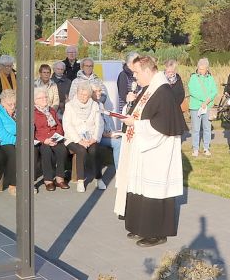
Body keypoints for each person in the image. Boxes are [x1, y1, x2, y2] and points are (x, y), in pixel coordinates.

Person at [117, 55, 187, 247]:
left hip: (158, 151)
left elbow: (162, 124)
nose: (135, 77)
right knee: (141, 188)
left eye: (137, 73)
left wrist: (136, 125)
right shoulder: (149, 88)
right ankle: (140, 226)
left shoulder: (163, 91)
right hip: (145, 148)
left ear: (148, 71)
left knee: (154, 190)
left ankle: (157, 233)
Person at [63, 82, 105, 192]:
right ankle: (80, 181)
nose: (83, 97)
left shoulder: (94, 105)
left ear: (89, 95)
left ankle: (99, 178)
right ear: (76, 93)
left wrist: (95, 138)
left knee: (95, 150)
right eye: (81, 94)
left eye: (86, 95)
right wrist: (79, 140)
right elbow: (67, 125)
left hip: (90, 137)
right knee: (81, 151)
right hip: (73, 138)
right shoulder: (69, 105)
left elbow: (99, 123)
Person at [33, 87, 68, 191]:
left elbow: (58, 126)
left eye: (45, 97)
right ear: (35, 100)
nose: (44, 99)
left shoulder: (51, 110)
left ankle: (59, 178)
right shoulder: (33, 112)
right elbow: (33, 131)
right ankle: (48, 180)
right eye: (41, 98)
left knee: (62, 150)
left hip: (54, 138)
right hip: (41, 140)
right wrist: (45, 140)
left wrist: (57, 136)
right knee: (46, 151)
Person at [188, 57, 218, 158]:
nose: (201, 70)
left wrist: (207, 101)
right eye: (199, 68)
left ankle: (206, 148)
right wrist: (203, 100)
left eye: (203, 68)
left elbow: (214, 91)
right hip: (196, 107)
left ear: (207, 69)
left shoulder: (211, 78)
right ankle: (195, 149)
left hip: (207, 106)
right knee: (196, 129)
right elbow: (192, 90)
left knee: (207, 128)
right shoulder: (193, 77)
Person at [0, 89, 18, 195]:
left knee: (33, 150)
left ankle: (28, 182)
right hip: (4, 142)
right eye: (9, 104)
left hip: (20, 139)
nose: (12, 106)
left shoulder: (17, 110)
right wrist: (18, 141)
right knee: (13, 153)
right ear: (2, 102)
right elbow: (1, 134)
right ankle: (13, 184)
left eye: (14, 104)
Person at [93, 81, 122, 172]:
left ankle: (126, 169)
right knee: (118, 143)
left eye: (100, 91)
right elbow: (92, 128)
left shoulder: (100, 104)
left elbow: (106, 121)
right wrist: (106, 135)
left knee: (125, 139)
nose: (99, 93)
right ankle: (119, 170)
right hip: (97, 137)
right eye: (96, 91)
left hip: (107, 134)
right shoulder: (91, 106)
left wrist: (113, 132)